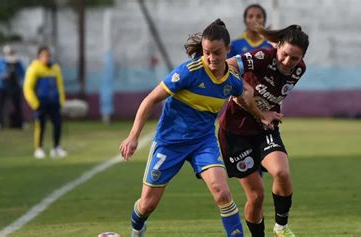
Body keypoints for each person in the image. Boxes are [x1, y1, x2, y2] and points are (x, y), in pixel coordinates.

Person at [117, 19, 279, 237]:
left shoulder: (232, 80)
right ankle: (137, 229)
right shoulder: (188, 72)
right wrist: (133, 136)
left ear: (228, 50)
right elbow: (150, 100)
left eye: (217, 53)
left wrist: (262, 115)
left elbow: (244, 98)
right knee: (147, 204)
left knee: (222, 194)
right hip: (169, 142)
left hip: (203, 143)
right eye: (207, 52)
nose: (211, 58)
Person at [219, 24, 309, 237]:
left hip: (264, 128)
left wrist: (263, 114)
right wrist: (243, 90)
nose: (287, 62)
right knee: (256, 196)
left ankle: (281, 227)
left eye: (294, 58)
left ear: (303, 57)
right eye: (284, 54)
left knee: (281, 172)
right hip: (235, 131)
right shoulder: (262, 56)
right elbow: (228, 65)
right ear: (277, 47)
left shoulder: (299, 69)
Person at [23, 46, 67, 159]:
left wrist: (61, 101)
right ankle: (39, 148)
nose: (46, 58)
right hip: (41, 102)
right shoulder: (34, 68)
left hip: (54, 102)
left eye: (48, 55)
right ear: (39, 56)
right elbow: (28, 88)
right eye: (44, 55)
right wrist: (35, 103)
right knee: (40, 126)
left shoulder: (55, 68)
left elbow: (60, 86)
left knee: (57, 124)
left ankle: (56, 148)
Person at [0, 45, 26, 131]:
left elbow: (22, 73)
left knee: (17, 105)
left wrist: (19, 79)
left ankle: (20, 123)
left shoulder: (18, 63)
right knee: (1, 106)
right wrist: (2, 75)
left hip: (15, 86)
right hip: (4, 87)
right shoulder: (1, 62)